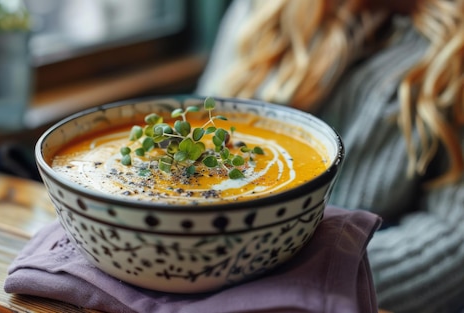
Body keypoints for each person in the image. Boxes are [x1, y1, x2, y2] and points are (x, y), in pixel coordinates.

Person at [195, 0, 464, 312]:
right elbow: (205, 131)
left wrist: (308, 282)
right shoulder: (260, 9)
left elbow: (454, 234)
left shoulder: (452, 49)